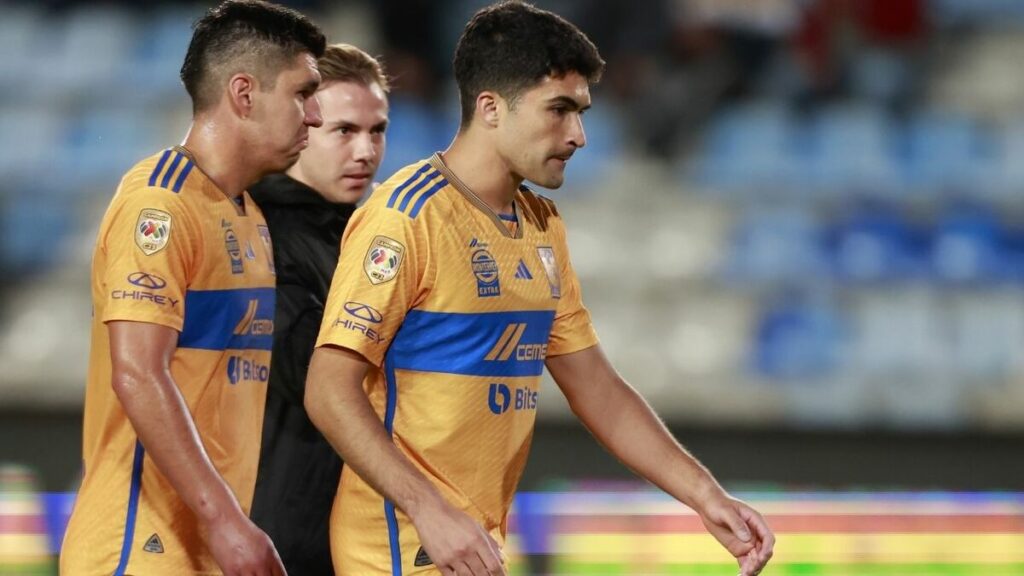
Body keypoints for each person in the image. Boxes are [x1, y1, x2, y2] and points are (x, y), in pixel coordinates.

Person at [305, 1, 775, 575]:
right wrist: (429, 510)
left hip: (474, 547)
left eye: (580, 112)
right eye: (559, 110)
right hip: (402, 550)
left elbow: (597, 387)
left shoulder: (541, 224)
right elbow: (328, 390)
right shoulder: (406, 218)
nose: (578, 135)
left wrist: (706, 496)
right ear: (490, 108)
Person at [60, 2, 325, 574]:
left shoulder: (247, 214)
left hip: (205, 547)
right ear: (244, 94)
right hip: (138, 547)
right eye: (303, 93)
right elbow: (138, 372)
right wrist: (224, 520)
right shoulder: (160, 205)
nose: (317, 116)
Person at [248, 43, 389, 575]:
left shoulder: (369, 232)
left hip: (352, 534)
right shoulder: (259, 233)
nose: (366, 151)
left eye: (377, 130)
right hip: (281, 535)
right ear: (302, 127)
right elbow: (315, 380)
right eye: (344, 131)